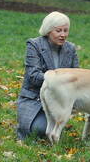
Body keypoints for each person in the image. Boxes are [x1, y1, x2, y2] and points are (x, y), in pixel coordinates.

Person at [16, 11, 80, 140]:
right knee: (40, 130)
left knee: (49, 130)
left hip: (58, 101)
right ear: (48, 30)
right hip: (34, 99)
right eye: (58, 31)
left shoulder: (71, 48)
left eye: (66, 30)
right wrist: (59, 80)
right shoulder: (34, 45)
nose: (63, 35)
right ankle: (26, 124)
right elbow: (33, 76)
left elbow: (76, 75)